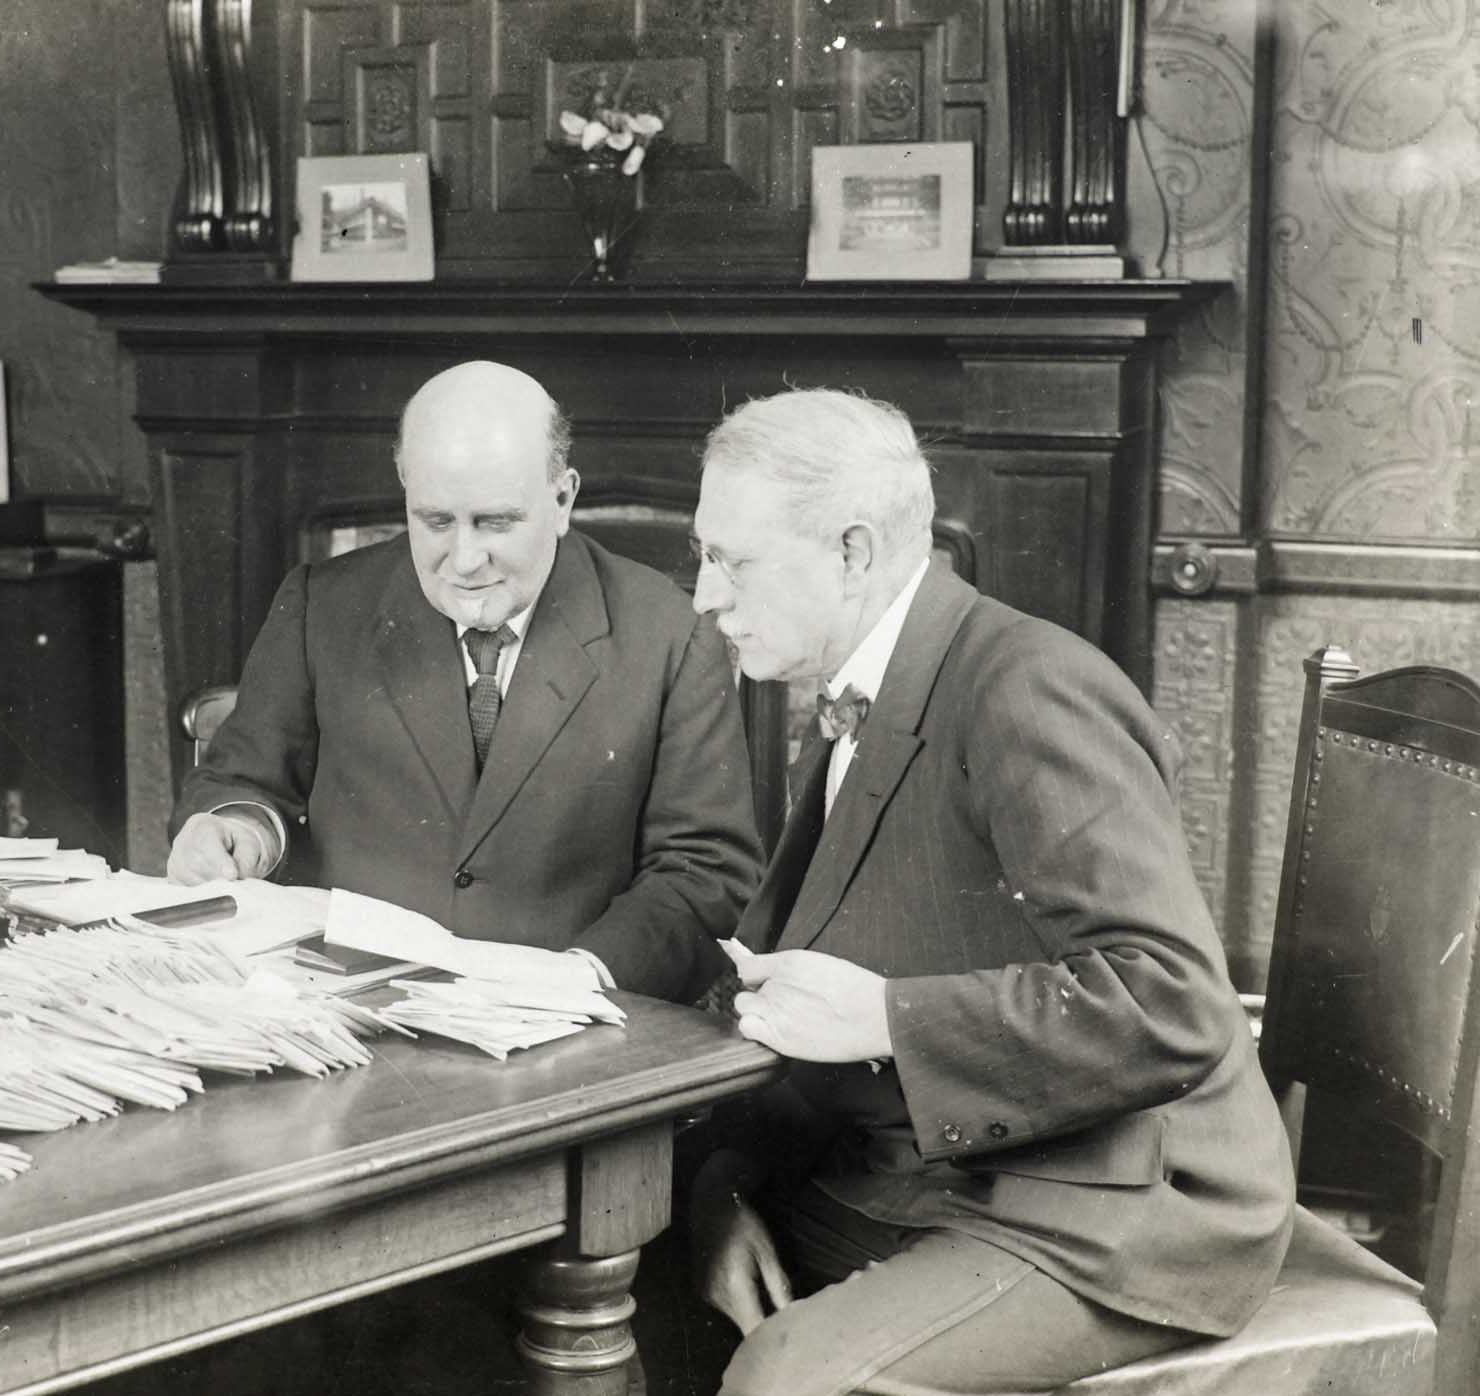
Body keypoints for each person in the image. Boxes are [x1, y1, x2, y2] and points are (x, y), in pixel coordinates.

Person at [683, 388, 1295, 1395]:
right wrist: (723, 1182)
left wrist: (883, 1016)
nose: (703, 596)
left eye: (729, 560)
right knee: (649, 1252)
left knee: (784, 1377)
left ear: (850, 551)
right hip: (949, 1172)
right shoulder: (856, 696)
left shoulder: (1025, 686)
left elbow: (1171, 1002)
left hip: (1116, 1204)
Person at [167, 359, 762, 1003]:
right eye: (435, 521)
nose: (465, 560)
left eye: (496, 522)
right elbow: (243, 780)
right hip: (349, 1012)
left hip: (572, 1021)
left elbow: (707, 872)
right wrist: (237, 828)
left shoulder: (671, 633)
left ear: (562, 499)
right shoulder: (323, 605)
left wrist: (579, 977)